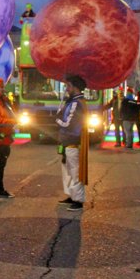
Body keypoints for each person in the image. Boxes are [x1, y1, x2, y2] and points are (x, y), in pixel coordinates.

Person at [56, 74, 89, 212]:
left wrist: (57, 121)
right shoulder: (73, 101)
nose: (66, 89)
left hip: (73, 142)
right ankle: (71, 195)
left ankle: (78, 200)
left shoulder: (76, 103)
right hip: (67, 142)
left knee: (75, 172)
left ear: (75, 87)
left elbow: (69, 123)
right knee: (69, 171)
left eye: (68, 86)